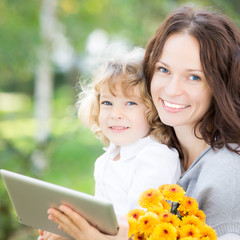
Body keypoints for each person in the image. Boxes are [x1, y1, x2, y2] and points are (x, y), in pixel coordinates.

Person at [39, 4, 240, 240]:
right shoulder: (151, 145)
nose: (172, 89)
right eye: (163, 70)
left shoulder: (227, 172)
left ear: (220, 84)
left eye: (194, 76)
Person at [38, 47, 181, 239]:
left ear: (153, 109)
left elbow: (139, 229)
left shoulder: (155, 157)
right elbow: (104, 223)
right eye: (107, 103)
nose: (115, 114)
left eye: (130, 103)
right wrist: (69, 231)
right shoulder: (108, 158)